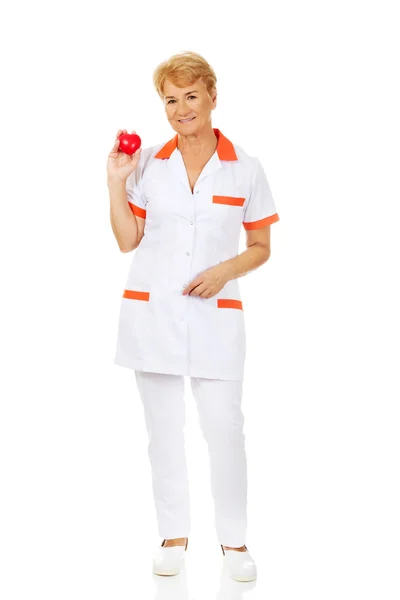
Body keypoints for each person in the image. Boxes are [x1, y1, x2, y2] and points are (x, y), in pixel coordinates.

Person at [107, 51, 280, 581]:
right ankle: (173, 536)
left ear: (211, 95)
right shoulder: (148, 164)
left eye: (190, 95)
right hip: (152, 313)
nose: (181, 108)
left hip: (216, 318)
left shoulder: (245, 167)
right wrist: (116, 180)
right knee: (163, 431)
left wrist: (225, 270)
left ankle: (234, 542)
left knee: (225, 429)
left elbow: (261, 245)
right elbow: (126, 240)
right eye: (170, 99)